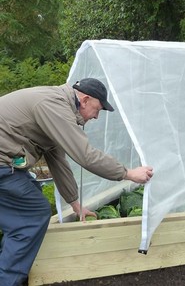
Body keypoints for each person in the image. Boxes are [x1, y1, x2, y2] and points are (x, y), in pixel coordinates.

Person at [0, 78, 153, 286]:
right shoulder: (54, 106)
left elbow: (57, 159)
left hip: (6, 164)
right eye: (97, 109)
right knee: (33, 216)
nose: (97, 116)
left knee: (26, 206)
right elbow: (85, 156)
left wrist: (75, 204)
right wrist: (128, 173)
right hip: (3, 165)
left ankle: (8, 266)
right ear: (85, 99)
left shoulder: (57, 105)